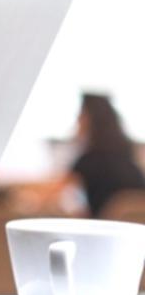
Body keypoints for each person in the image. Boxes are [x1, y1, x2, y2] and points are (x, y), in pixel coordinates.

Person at [17, 93, 145, 219]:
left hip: (103, 232)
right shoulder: (128, 159)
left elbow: (52, 192)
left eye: (80, 116)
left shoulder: (89, 161)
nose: (77, 122)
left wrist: (25, 197)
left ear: (89, 120)